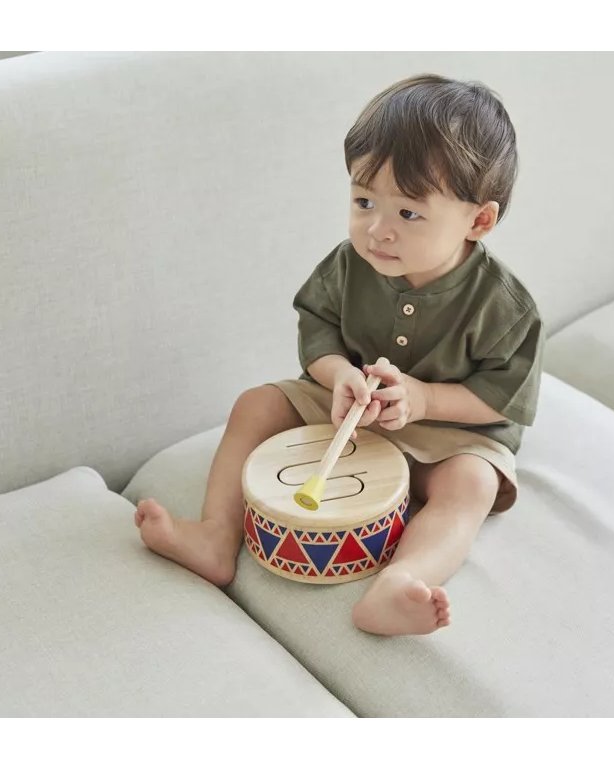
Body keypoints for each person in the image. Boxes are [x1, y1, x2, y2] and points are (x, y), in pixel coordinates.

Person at [135, 73, 545, 636]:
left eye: (408, 213)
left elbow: (500, 398)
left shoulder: (506, 307)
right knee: (256, 403)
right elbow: (318, 329)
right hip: (343, 403)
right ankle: (214, 536)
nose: (377, 230)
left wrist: (423, 400)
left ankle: (400, 583)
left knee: (472, 485)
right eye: (363, 201)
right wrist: (338, 375)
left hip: (449, 431)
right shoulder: (349, 264)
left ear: (478, 221)